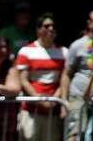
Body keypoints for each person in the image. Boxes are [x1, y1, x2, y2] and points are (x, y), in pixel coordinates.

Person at [15, 12, 67, 141]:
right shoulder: (25, 51)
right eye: (46, 26)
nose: (51, 29)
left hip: (53, 111)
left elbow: (63, 80)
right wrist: (39, 100)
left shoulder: (64, 52)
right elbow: (23, 80)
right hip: (30, 110)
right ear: (38, 30)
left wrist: (54, 100)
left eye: (53, 26)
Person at [64, 8, 93, 141]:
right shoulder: (77, 45)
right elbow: (66, 74)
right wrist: (64, 101)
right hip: (79, 96)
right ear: (89, 23)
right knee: (76, 133)